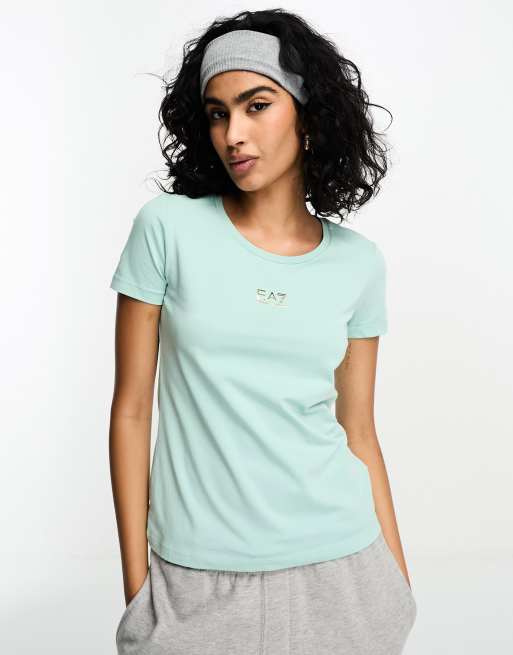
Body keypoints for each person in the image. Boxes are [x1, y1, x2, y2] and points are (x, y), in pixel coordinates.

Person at [109, 8, 417, 655]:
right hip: (194, 581)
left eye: (256, 106)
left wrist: (397, 580)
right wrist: (139, 588)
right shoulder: (167, 230)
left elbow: (358, 430)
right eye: (217, 114)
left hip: (343, 572)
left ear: (308, 117)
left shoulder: (358, 263)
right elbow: (132, 410)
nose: (234, 134)